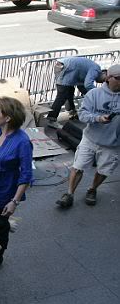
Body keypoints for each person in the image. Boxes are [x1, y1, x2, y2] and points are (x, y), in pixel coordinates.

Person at [0, 97, 33, 275]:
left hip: (5, 188)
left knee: (0, 225)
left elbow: (26, 174)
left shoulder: (23, 142)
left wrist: (14, 201)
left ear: (8, 117)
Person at [57, 65, 120, 208]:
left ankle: (92, 189)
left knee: (104, 170)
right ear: (109, 78)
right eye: (119, 79)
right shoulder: (94, 94)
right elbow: (83, 115)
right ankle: (69, 193)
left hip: (113, 144)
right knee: (78, 166)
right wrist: (98, 118)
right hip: (90, 139)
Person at [47, 57, 106, 129]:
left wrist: (91, 96)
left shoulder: (89, 70)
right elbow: (88, 84)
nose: (103, 82)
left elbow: (82, 87)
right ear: (104, 73)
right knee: (61, 96)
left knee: (69, 92)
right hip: (67, 68)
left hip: (64, 66)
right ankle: (51, 119)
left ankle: (72, 112)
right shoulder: (96, 69)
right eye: (105, 80)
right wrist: (98, 94)